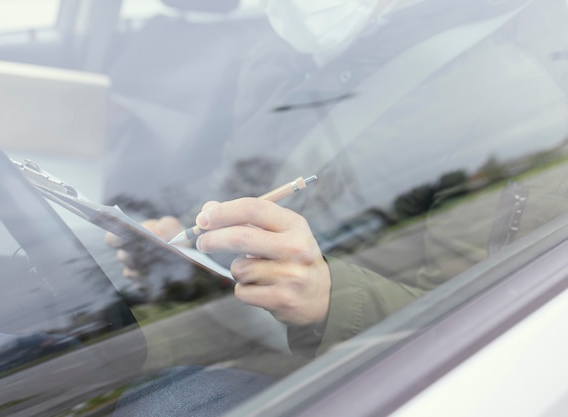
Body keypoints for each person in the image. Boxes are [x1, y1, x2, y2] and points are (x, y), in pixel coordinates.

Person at [107, 0, 568, 359]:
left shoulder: (517, 100)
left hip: (320, 374)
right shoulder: (281, 52)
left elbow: (476, 334)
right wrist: (186, 238)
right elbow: (242, 186)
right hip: (208, 314)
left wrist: (327, 297)